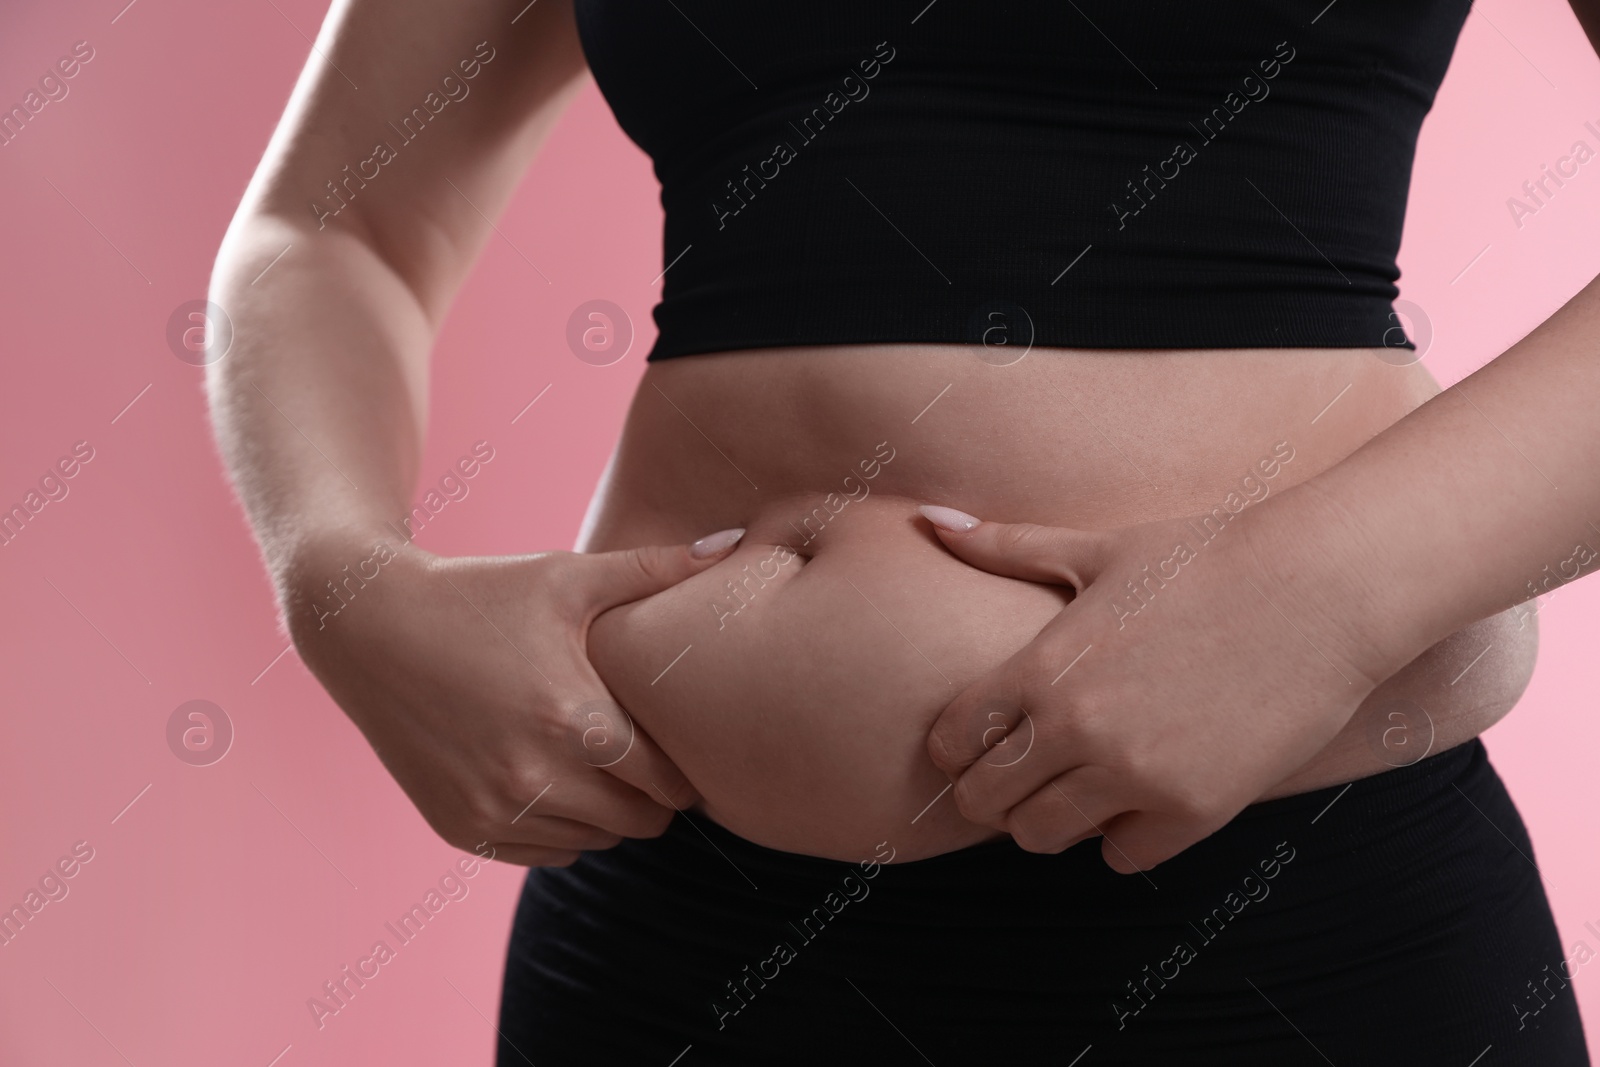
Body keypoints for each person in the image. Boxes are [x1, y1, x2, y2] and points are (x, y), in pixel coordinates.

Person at [206, 0, 1597, 1062]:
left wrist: (1316, 601)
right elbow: (333, 225)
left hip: (1310, 914)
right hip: (677, 919)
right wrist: (341, 578)